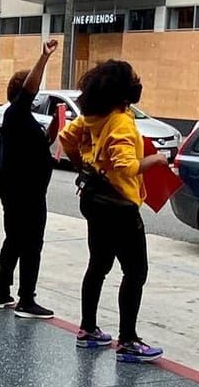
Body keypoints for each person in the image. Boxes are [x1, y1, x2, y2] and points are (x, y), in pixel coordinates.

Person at [59, 60, 170, 362]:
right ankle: (129, 341)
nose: (138, 80)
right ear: (124, 90)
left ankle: (88, 329)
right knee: (136, 271)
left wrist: (84, 164)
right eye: (134, 78)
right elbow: (128, 166)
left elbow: (66, 138)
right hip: (119, 205)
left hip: (94, 199)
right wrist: (157, 161)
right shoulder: (120, 121)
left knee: (98, 264)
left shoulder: (93, 116)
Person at [0, 38, 60, 319]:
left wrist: (50, 134)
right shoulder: (17, 113)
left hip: (19, 190)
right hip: (25, 193)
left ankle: (2, 291)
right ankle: (26, 299)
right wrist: (43, 58)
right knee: (31, 245)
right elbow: (29, 91)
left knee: (15, 240)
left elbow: (32, 147)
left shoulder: (20, 120)